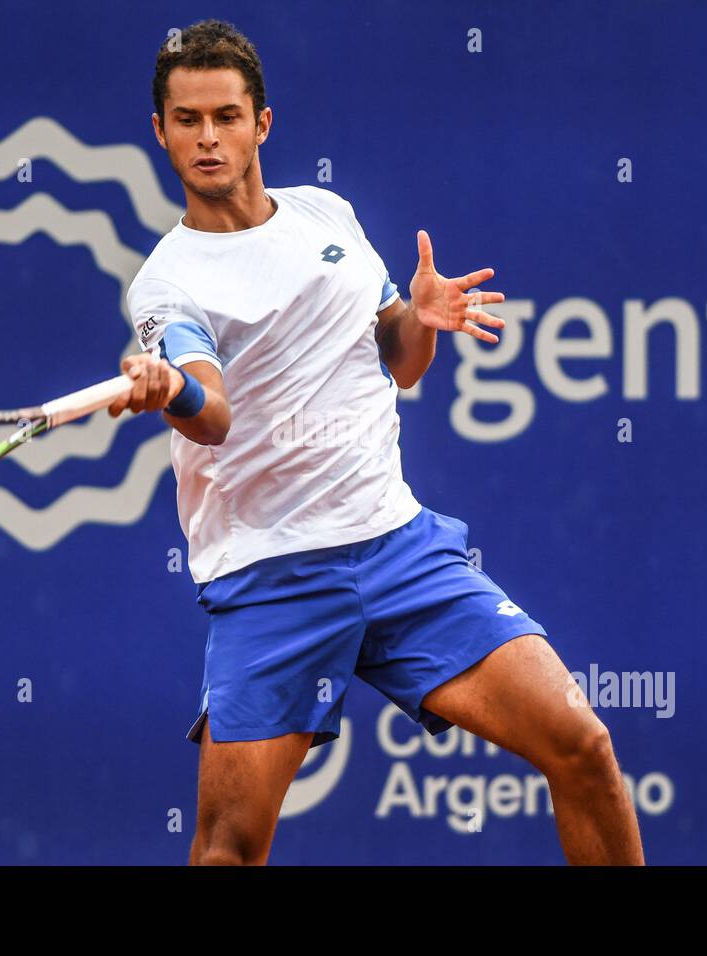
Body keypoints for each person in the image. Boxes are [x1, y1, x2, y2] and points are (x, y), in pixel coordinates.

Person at [108, 18, 645, 866]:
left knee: (582, 745)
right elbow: (210, 411)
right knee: (226, 850)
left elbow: (396, 357)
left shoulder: (328, 213)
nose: (207, 138)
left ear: (262, 125)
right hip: (272, 578)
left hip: (400, 552)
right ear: (160, 131)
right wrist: (170, 386)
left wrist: (422, 320)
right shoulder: (169, 282)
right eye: (186, 120)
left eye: (225, 116)